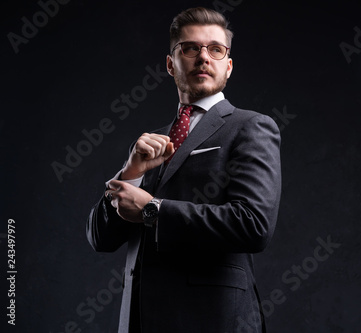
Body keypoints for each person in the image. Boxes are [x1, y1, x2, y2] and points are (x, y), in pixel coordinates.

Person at [86, 7, 281, 333]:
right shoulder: (151, 142)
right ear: (169, 64)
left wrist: (152, 210)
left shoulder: (251, 127)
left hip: (214, 321)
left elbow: (254, 224)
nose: (203, 57)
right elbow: (99, 237)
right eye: (190, 48)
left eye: (215, 49)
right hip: (140, 321)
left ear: (228, 66)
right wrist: (131, 171)